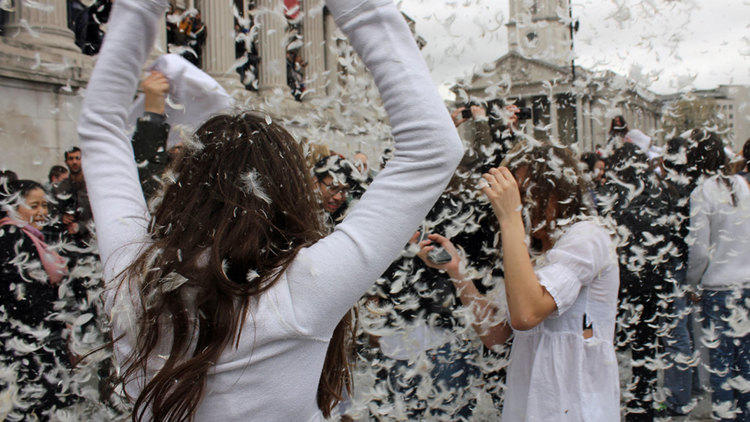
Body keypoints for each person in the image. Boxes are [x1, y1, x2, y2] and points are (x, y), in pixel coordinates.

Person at [77, 1, 463, 421]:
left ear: (181, 187)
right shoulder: (303, 287)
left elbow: (101, 130)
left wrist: (140, 7)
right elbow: (434, 148)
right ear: (290, 193)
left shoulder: (133, 276)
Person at [417, 144, 620, 420]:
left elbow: (526, 313)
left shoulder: (588, 236)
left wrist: (509, 216)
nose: (522, 206)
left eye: (526, 194)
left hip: (575, 408)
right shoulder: (534, 251)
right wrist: (457, 271)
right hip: (529, 408)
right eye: (516, 196)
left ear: (558, 193)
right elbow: (497, 335)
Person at [686, 132, 750, 421]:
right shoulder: (743, 186)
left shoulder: (703, 192)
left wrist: (692, 281)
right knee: (746, 361)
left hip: (718, 287)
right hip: (747, 285)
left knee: (721, 363)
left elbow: (699, 248)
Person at [0, 179, 73, 419]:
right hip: (26, 342)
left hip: (35, 337)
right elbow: (21, 296)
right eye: (34, 206)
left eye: (45, 205)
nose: (42, 212)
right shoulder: (13, 237)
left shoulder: (31, 237)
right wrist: (54, 321)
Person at [52, 146, 93, 240]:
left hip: (91, 239)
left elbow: (102, 213)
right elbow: (51, 212)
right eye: (71, 159)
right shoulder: (59, 188)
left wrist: (81, 226)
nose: (74, 162)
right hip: (67, 240)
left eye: (78, 158)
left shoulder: (93, 186)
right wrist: (61, 217)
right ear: (66, 162)